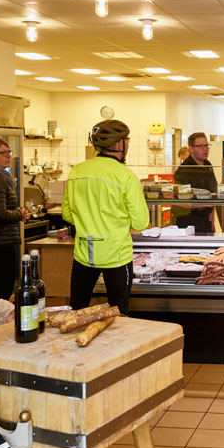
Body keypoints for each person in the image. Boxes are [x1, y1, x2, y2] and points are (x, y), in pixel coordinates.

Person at [62, 120, 149, 315]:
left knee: (77, 310)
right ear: (119, 145)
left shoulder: (77, 171)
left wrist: (88, 218)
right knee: (118, 313)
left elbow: (67, 214)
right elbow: (141, 222)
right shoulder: (126, 176)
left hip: (84, 255)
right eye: (127, 141)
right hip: (117, 257)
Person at [0, 138, 28, 300]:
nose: (8, 156)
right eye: (3, 153)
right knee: (2, 291)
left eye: (9, 152)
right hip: (0, 243)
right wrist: (19, 214)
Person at [173, 132, 218, 233]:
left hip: (205, 219)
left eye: (206, 145)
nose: (205, 149)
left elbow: (212, 194)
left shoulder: (208, 165)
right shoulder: (184, 170)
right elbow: (181, 202)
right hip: (188, 221)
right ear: (191, 148)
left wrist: (212, 220)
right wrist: (205, 204)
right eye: (200, 146)